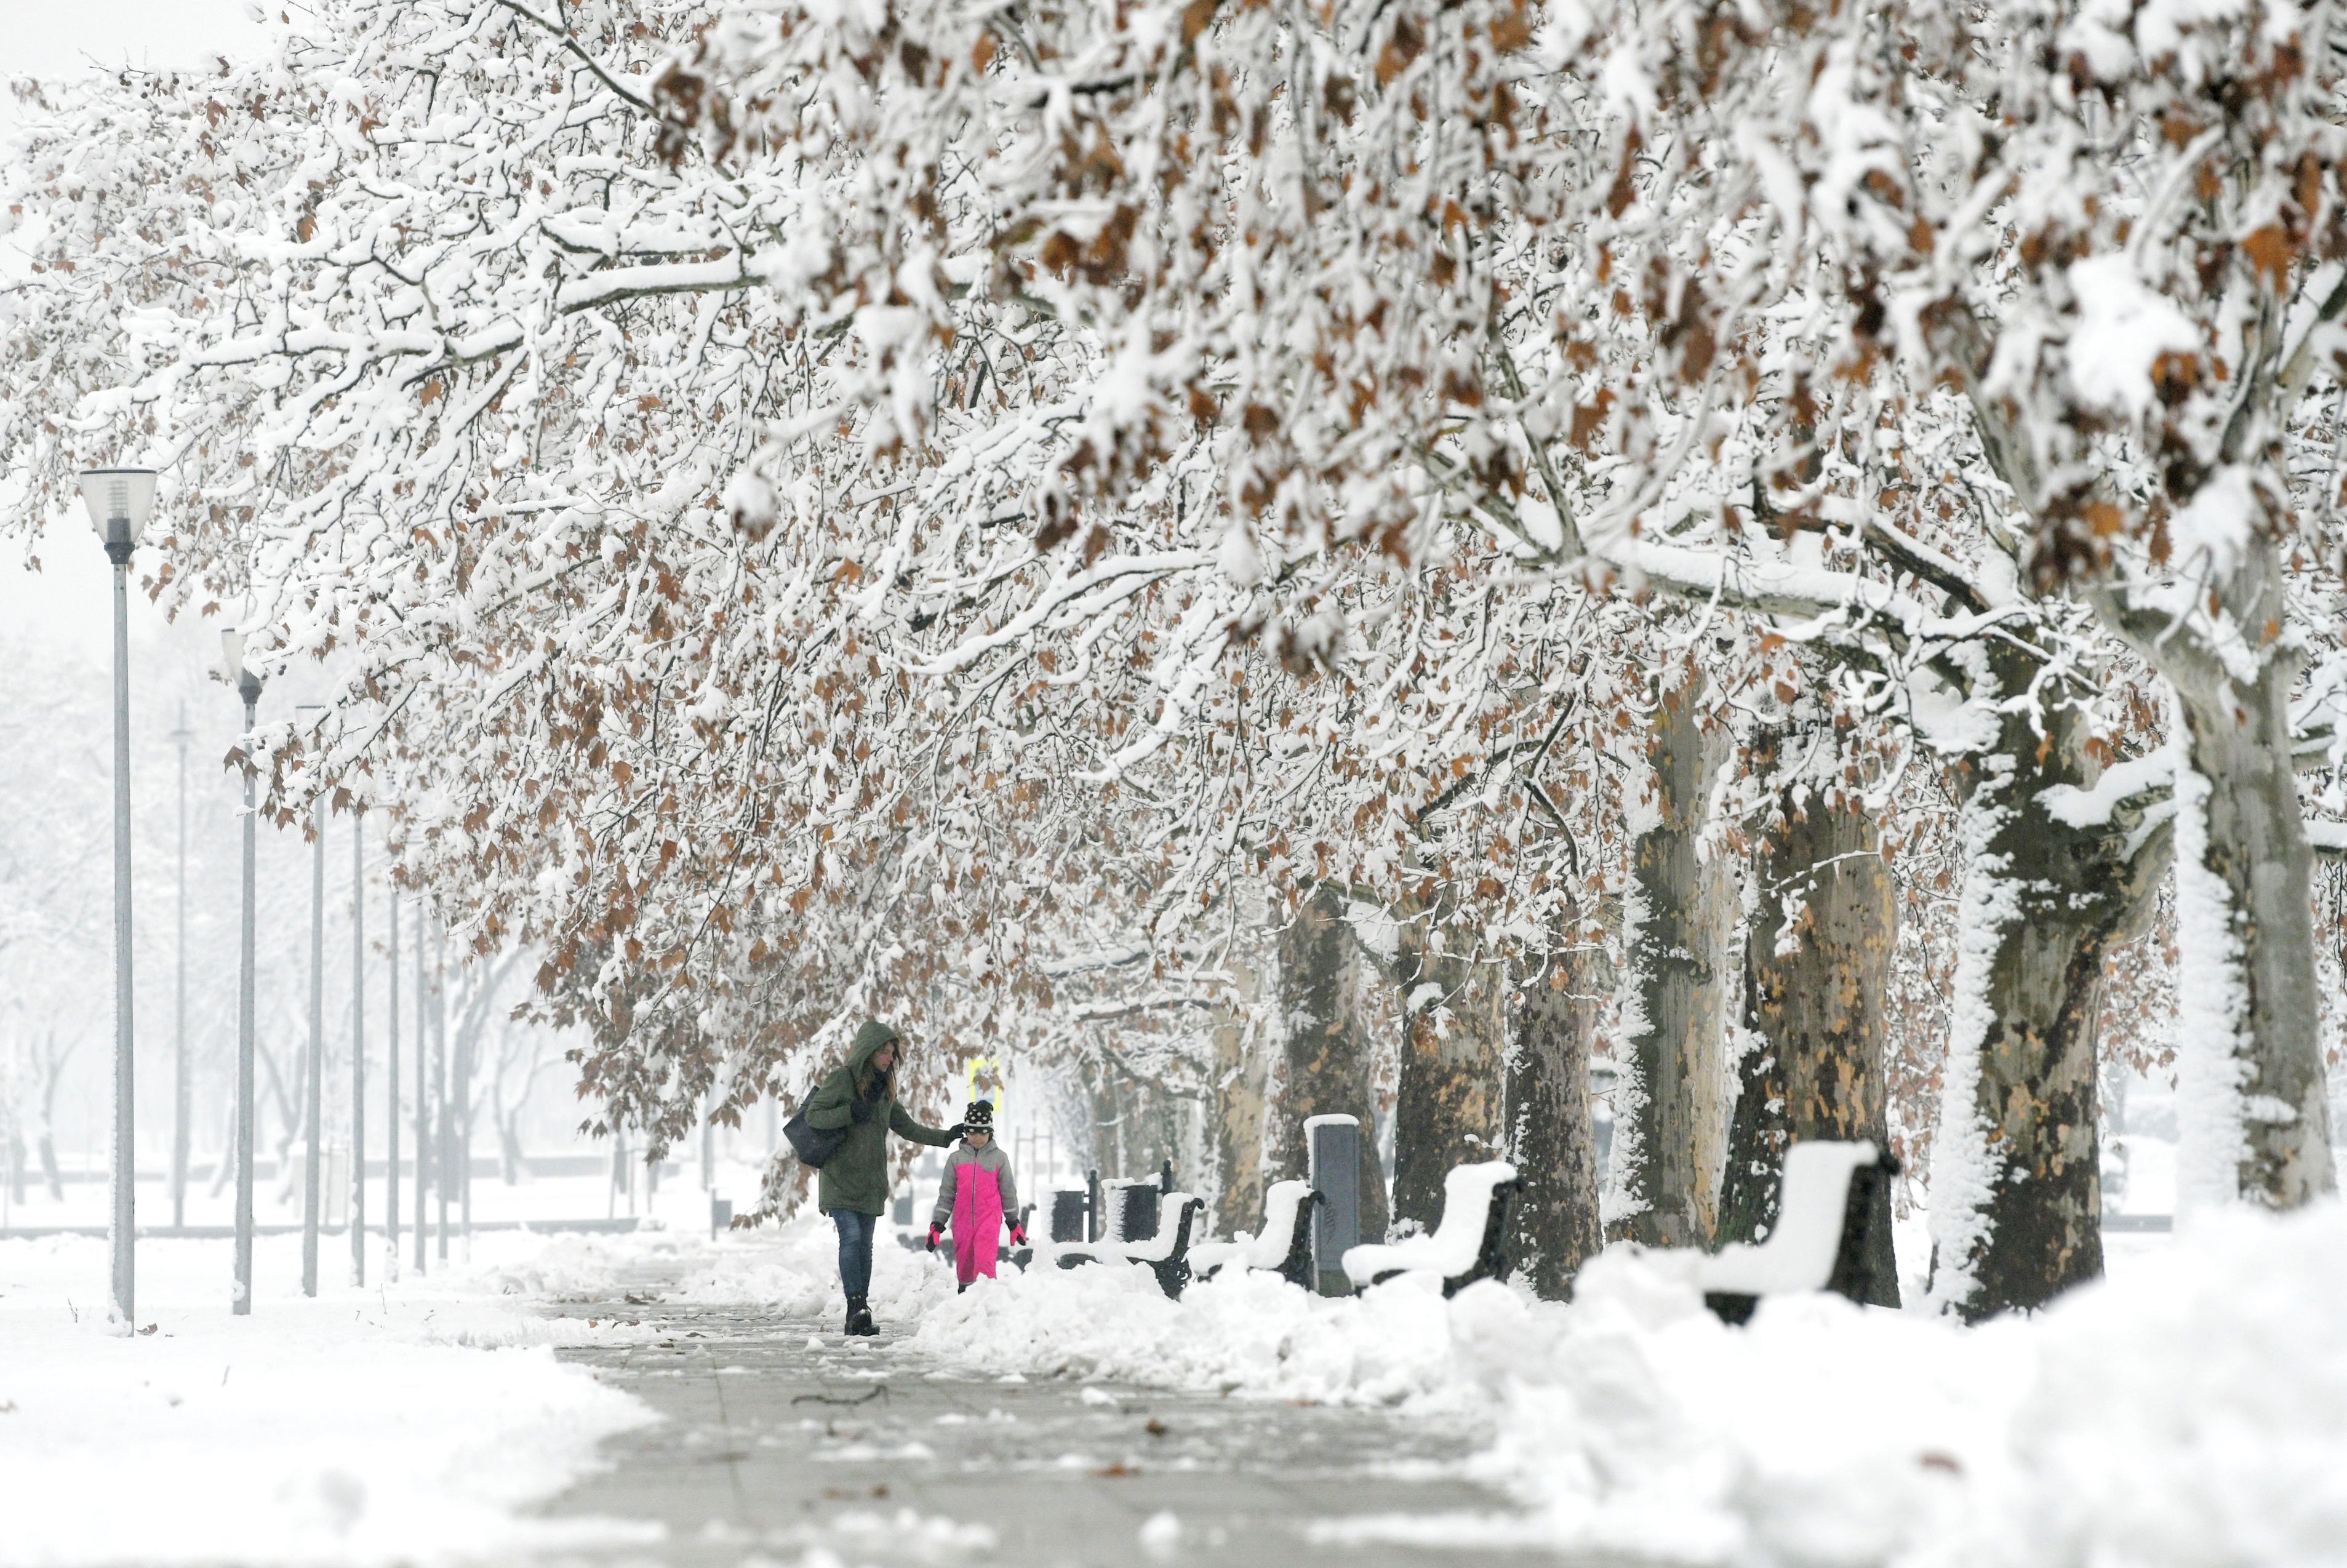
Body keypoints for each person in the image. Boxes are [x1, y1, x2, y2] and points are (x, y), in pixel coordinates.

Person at [802, 1020, 962, 1336]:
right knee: (850, 1238)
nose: (890, 1059)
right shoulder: (842, 1079)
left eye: (892, 1053)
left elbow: (908, 1127)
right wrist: (850, 1112)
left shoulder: (884, 1092)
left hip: (871, 1181)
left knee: (865, 1247)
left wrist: (948, 1137)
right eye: (885, 1052)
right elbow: (814, 1116)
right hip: (839, 1178)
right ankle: (855, 1305)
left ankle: (860, 1313)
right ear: (868, 1052)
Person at [926, 1100, 1025, 1290]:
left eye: (982, 1132)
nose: (977, 1137)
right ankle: (965, 1298)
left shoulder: (999, 1158)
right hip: (962, 1222)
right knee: (965, 1265)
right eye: (972, 1132)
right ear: (966, 1132)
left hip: (989, 1219)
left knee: (984, 1259)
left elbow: (1008, 1192)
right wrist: (937, 1225)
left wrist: (1013, 1222)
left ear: (990, 1132)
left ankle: (986, 1297)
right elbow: (946, 1195)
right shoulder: (956, 1159)